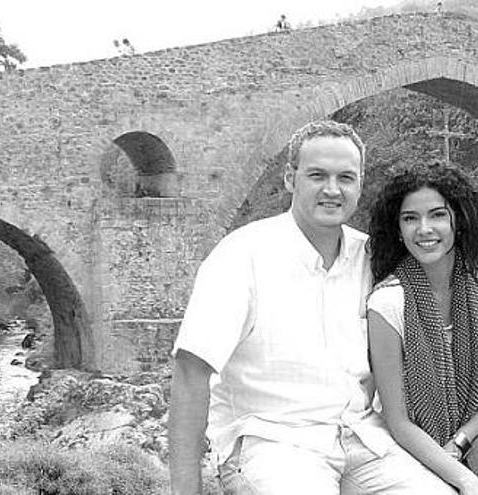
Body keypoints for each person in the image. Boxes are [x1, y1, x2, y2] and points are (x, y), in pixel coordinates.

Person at [168, 121, 457, 494]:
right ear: (291, 178)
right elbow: (191, 371)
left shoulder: (372, 258)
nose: (332, 190)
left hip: (363, 438)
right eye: (317, 175)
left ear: (360, 184)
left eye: (345, 178)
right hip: (273, 444)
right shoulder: (243, 256)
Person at [366, 162, 478, 495]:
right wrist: (460, 475)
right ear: (397, 229)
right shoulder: (387, 303)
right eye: (410, 218)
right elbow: (397, 420)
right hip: (413, 431)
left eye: (437, 215)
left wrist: (459, 442)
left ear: (459, 220)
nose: (424, 229)